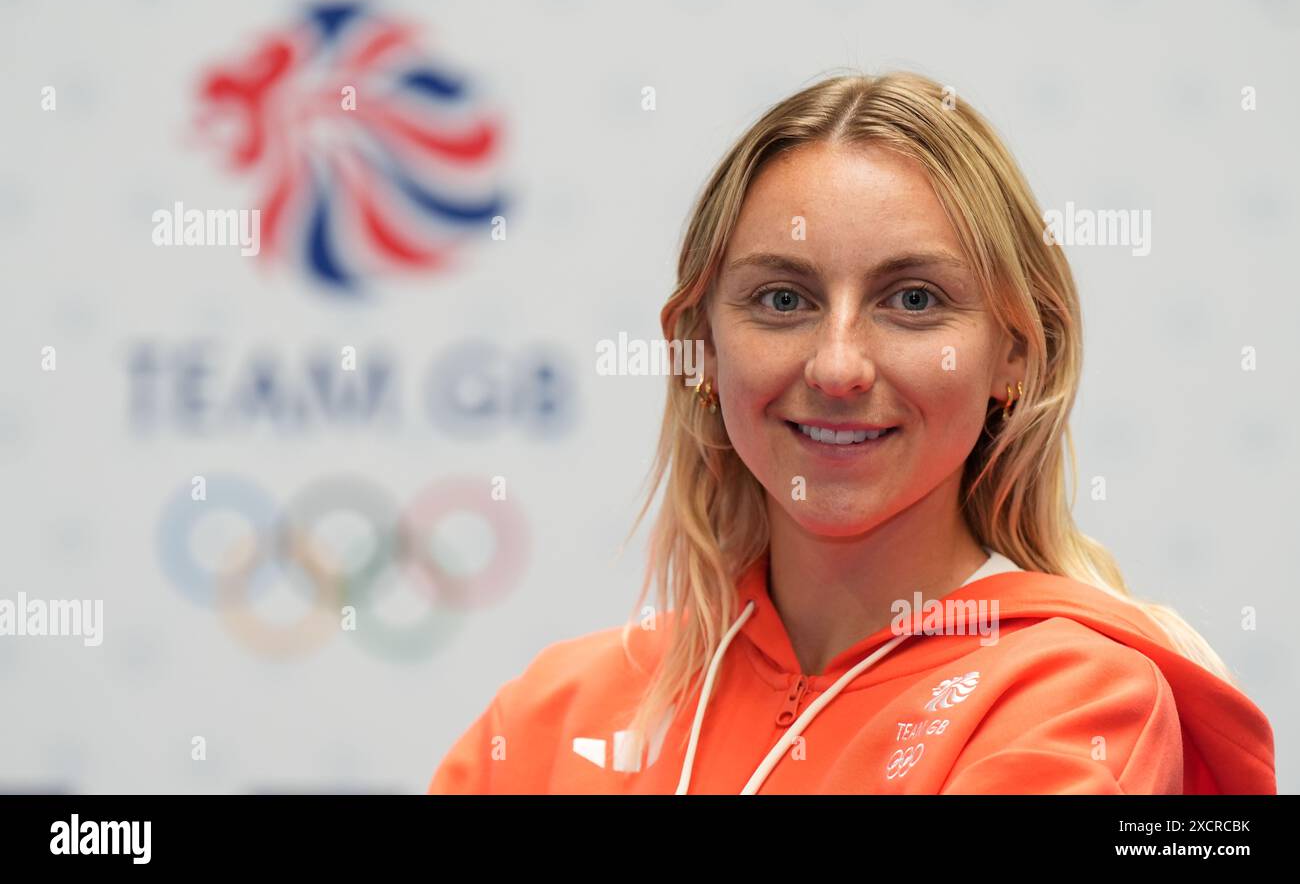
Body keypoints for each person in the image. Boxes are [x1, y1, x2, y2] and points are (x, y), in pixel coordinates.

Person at [427, 70, 1276, 794]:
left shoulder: (1077, 700)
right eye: (783, 300)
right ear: (700, 348)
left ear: (1014, 353)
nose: (838, 368)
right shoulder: (552, 716)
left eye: (912, 300)